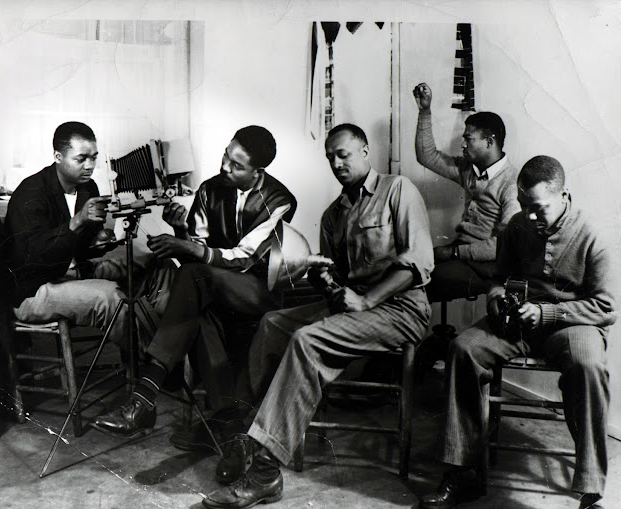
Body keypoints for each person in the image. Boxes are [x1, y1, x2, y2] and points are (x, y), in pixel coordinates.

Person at [201, 123, 434, 508]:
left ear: (364, 151)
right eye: (330, 157)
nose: (337, 163)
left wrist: (366, 300)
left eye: (343, 154)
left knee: (307, 341)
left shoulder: (398, 189)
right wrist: (321, 275)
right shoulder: (333, 215)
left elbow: (420, 263)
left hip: (401, 309)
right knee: (273, 324)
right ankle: (249, 432)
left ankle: (265, 472)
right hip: (354, 306)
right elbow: (338, 278)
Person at [420, 156, 616, 509]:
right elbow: (499, 277)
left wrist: (547, 312)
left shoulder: (593, 235)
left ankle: (590, 489)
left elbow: (606, 307)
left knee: (588, 367)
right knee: (463, 349)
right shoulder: (516, 226)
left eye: (538, 208)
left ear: (564, 195)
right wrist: (496, 295)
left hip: (573, 324)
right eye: (523, 206)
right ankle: (464, 472)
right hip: (520, 323)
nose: (529, 217)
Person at [91, 125, 298, 446]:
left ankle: (144, 394)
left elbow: (244, 258)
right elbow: (197, 249)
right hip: (210, 284)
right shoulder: (209, 189)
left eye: (237, 165)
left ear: (259, 171)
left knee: (194, 277)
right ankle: (226, 422)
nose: (225, 167)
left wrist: (189, 249)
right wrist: (181, 233)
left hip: (255, 291)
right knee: (196, 310)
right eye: (225, 156)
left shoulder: (280, 200)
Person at [2, 121, 128, 347]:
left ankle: (159, 360)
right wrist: (78, 221)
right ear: (58, 156)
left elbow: (80, 248)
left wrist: (100, 241)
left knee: (151, 268)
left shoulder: (88, 188)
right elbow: (32, 258)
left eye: (94, 158)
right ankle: (148, 373)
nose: (90, 166)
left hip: (72, 274)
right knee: (110, 298)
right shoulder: (30, 192)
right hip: (33, 290)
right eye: (81, 159)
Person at [413, 82, 519, 301]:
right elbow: (427, 156)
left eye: (468, 138)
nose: (462, 144)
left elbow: (504, 246)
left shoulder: (511, 184)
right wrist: (425, 111)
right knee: (408, 266)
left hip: (486, 267)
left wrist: (453, 252)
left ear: (490, 142)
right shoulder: (468, 169)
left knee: (416, 280)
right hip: (461, 255)